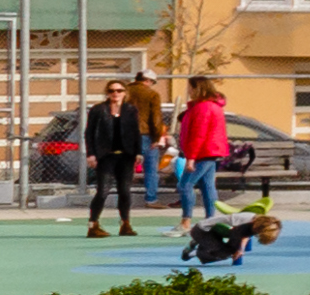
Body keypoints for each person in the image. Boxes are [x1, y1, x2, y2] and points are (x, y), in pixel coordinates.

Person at [83, 73, 160, 239]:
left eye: (119, 90)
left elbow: (136, 132)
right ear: (107, 93)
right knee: (102, 191)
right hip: (106, 156)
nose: (115, 94)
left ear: (125, 92)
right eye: (112, 91)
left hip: (126, 156)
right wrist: (91, 154)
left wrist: (138, 152)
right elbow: (89, 133)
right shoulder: (99, 110)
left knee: (125, 191)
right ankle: (93, 224)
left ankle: (125, 223)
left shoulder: (130, 110)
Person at [172, 73, 230, 228]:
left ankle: (186, 220)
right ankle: (211, 219)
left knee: (185, 185)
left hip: (203, 152)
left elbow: (199, 134)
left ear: (197, 88)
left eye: (190, 88)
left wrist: (191, 157)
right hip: (210, 151)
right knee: (207, 185)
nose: (189, 91)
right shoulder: (209, 106)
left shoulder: (203, 108)